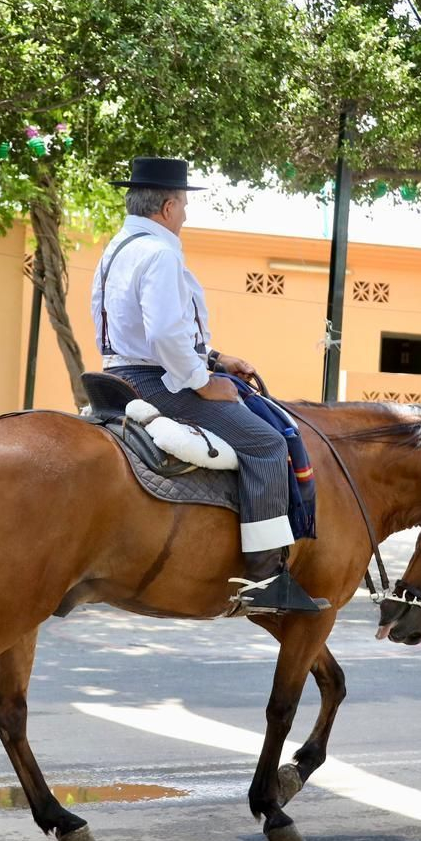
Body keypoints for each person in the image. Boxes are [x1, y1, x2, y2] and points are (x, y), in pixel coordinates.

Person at [90, 156, 326, 614]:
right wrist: (201, 382)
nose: (185, 215)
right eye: (183, 206)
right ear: (168, 207)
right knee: (266, 443)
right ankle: (263, 581)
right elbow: (161, 335)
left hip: (115, 372)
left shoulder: (116, 249)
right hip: (156, 380)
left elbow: (148, 331)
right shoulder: (159, 253)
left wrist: (216, 358)